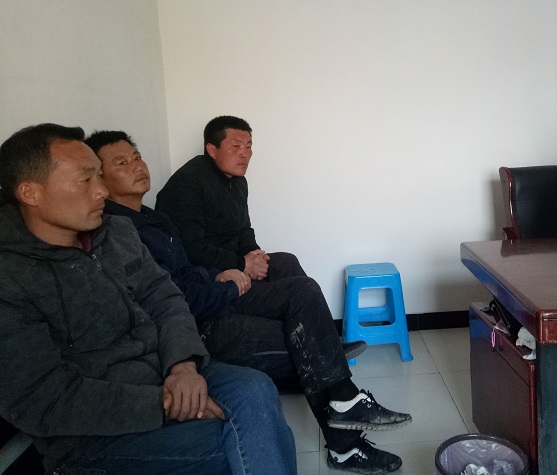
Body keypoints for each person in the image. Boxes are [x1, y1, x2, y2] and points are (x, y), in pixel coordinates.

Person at [86, 129, 411, 474]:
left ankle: (337, 388)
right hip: (198, 324)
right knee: (306, 329)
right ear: (99, 179)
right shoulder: (132, 225)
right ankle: (342, 418)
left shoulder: (153, 217)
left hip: (209, 296)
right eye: (122, 163)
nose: (137, 166)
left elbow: (194, 265)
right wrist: (233, 276)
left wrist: (240, 262)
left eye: (137, 157)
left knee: (292, 282)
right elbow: (177, 289)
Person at [0, 124, 297, 475]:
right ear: (30, 192)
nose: (101, 190)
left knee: (256, 390)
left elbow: (166, 297)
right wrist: (165, 403)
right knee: (233, 441)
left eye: (99, 176)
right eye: (85, 180)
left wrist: (183, 365)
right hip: (93, 434)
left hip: (164, 370)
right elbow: (40, 399)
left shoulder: (117, 232)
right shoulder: (12, 276)